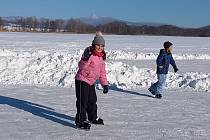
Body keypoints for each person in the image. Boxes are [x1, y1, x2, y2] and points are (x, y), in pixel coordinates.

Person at [75, 31, 109, 130]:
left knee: (92, 100)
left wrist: (104, 84)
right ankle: (80, 121)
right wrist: (85, 59)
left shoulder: (101, 56)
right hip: (82, 80)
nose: (100, 47)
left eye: (102, 46)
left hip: (91, 82)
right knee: (82, 101)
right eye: (98, 45)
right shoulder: (89, 53)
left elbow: (102, 71)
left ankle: (92, 117)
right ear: (94, 45)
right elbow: (81, 67)